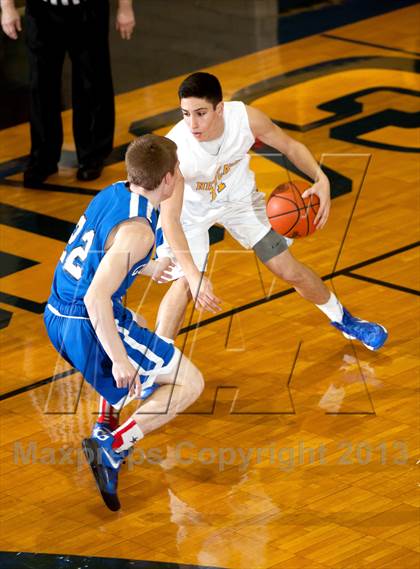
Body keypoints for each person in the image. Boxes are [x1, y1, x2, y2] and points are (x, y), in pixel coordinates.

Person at [155, 72, 388, 351]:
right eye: (185, 114)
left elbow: (290, 146)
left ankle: (345, 320)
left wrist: (320, 177)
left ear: (220, 108)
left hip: (239, 201)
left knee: (287, 268)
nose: (192, 123)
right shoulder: (177, 150)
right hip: (190, 214)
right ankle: (153, 364)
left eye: (200, 113)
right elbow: (169, 219)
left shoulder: (245, 119)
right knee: (185, 285)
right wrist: (194, 275)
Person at [44, 134, 206, 512]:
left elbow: (100, 248)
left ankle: (105, 419)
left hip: (57, 312)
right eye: (177, 170)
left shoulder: (114, 192)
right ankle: (114, 445)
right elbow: (95, 297)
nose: (178, 175)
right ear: (167, 179)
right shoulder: (140, 231)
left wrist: (146, 267)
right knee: (190, 382)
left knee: (139, 321)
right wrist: (118, 359)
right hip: (86, 322)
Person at [0, 0, 135, 186]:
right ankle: (43, 159)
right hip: (42, 10)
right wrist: (7, 7)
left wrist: (125, 8)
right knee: (41, 85)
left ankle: (92, 156)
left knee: (92, 82)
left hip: (88, 9)